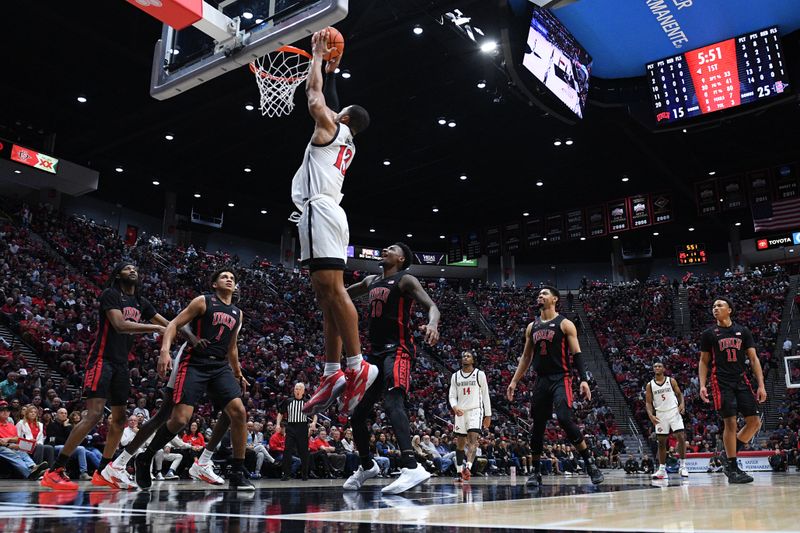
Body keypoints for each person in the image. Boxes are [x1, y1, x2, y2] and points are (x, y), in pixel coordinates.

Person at [290, 29, 375, 418]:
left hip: (321, 211)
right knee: (326, 295)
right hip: (327, 212)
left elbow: (313, 97)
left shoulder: (329, 128)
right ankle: (331, 371)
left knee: (334, 291)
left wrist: (316, 59)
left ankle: (357, 366)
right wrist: (333, 70)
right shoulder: (345, 138)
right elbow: (332, 102)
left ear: (341, 119)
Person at [41, 262, 170, 491]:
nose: (133, 270)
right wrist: (154, 329)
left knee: (120, 418)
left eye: (135, 268)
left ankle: (103, 471)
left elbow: (170, 324)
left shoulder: (141, 302)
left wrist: (192, 337)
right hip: (101, 360)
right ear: (118, 274)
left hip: (121, 364)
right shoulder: (111, 294)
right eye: (127, 268)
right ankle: (55, 470)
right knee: (94, 414)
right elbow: (120, 325)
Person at [133, 268, 253, 490]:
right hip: (194, 362)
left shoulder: (238, 313)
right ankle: (145, 456)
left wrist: (238, 373)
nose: (229, 279)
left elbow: (232, 347)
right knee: (179, 420)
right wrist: (165, 351)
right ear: (214, 284)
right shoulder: (203, 302)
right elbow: (173, 324)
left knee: (239, 413)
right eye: (224, 277)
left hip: (219, 365)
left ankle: (237, 472)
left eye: (232, 278)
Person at [341, 243, 440, 494]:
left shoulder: (405, 279)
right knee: (358, 413)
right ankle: (366, 465)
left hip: (398, 349)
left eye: (391, 248)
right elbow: (341, 294)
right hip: (373, 353)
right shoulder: (371, 280)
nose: (385, 249)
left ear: (401, 257)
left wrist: (432, 325)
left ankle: (411, 465)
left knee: (393, 398)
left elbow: (432, 307)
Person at [507, 286, 604, 487]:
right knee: (538, 426)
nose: (539, 296)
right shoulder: (531, 326)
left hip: (562, 377)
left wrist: (583, 379)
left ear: (555, 299)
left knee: (564, 418)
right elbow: (526, 357)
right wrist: (514, 381)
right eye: (539, 294)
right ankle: (535, 472)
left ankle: (590, 463)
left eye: (544, 293)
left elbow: (577, 353)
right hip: (541, 380)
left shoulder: (565, 324)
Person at [699, 297, 767, 484]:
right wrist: (702, 385)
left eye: (719, 305)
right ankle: (732, 465)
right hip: (720, 381)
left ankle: (726, 455)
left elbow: (753, 359)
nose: (715, 308)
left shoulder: (742, 331)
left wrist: (761, 385)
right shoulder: (709, 333)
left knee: (754, 423)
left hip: (741, 379)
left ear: (729, 310)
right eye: (713, 306)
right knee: (730, 423)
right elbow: (704, 361)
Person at [449, 350, 492, 482]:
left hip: (475, 410)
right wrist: (455, 407)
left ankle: (468, 467)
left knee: (473, 440)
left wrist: (488, 415)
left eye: (468, 356)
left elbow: (485, 395)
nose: (465, 358)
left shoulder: (479, 374)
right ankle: (459, 471)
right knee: (460, 444)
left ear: (473, 360)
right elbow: (452, 395)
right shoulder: (455, 376)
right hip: (460, 412)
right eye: (463, 356)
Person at [645, 361, 688, 479]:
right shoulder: (650, 385)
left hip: (673, 411)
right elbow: (648, 403)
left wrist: (682, 404)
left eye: (659, 366)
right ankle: (662, 470)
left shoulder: (671, 381)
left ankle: (683, 466)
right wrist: (650, 415)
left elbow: (679, 394)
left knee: (681, 437)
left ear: (663, 369)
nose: (657, 368)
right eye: (655, 366)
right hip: (660, 414)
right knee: (662, 443)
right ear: (653, 369)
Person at [276, 383, 316, 481]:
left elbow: (314, 414)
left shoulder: (307, 402)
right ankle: (286, 474)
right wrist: (277, 424)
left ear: (303, 391)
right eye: (295, 389)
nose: (297, 391)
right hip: (291, 427)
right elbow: (280, 413)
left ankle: (304, 474)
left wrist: (314, 422)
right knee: (287, 451)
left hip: (302, 428)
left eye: (299, 389)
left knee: (304, 452)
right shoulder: (288, 401)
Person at [0, 400, 49, 479]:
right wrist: (9, 444)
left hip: (11, 445)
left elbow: (17, 438)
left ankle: (33, 467)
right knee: (13, 454)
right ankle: (29, 474)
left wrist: (10, 441)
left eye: (7, 411)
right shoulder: (19, 423)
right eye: (2, 411)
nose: (5, 412)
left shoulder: (11, 425)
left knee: (22, 451)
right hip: (2, 447)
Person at [46, 408, 95, 480]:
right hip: (54, 446)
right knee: (63, 448)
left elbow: (72, 439)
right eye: (61, 413)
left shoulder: (69, 426)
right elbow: (54, 439)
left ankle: (83, 473)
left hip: (67, 446)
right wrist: (66, 441)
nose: (64, 415)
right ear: (57, 415)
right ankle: (62, 472)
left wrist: (66, 427)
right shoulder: (51, 425)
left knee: (81, 449)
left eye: (65, 413)